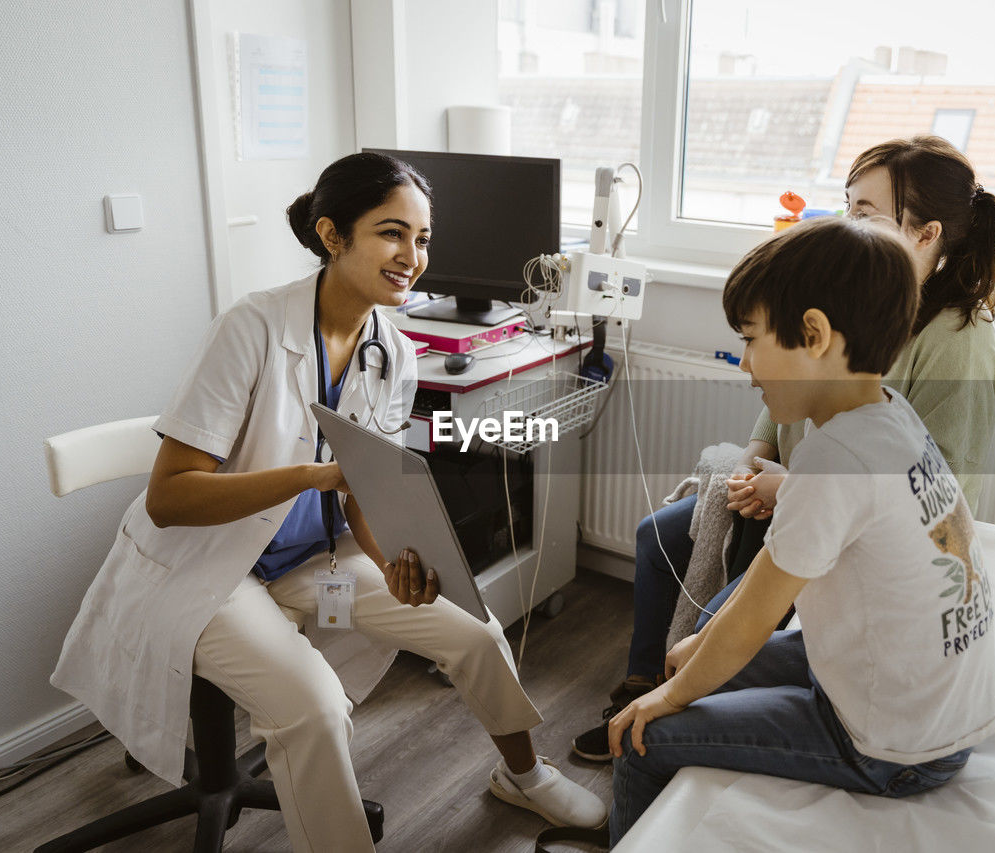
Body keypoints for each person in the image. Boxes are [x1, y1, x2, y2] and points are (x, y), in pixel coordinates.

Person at [50, 152, 605, 853]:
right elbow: (169, 498)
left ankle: (524, 774)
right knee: (315, 708)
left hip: (316, 559)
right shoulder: (250, 328)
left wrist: (396, 561)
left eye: (424, 238)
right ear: (333, 234)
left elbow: (364, 487)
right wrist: (308, 478)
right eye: (392, 232)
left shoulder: (391, 350)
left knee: (476, 627)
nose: (413, 255)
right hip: (213, 569)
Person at [572, 135, 995, 761]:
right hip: (799, 501)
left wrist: (791, 490)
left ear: (924, 233)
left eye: (864, 213)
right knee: (661, 545)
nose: (843, 225)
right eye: (846, 207)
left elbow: (921, 495)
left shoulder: (953, 343)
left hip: (831, 540)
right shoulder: (873, 380)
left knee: (699, 658)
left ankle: (649, 734)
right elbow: (795, 398)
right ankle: (649, 685)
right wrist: (754, 465)